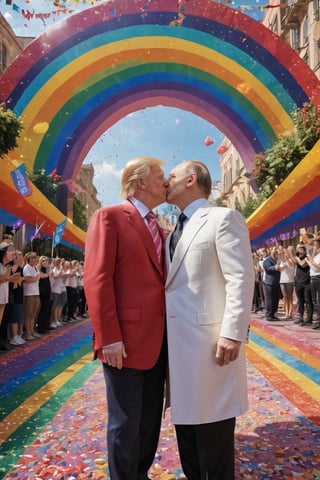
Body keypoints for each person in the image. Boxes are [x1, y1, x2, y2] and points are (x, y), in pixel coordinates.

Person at [165, 160, 254, 480]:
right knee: (186, 431)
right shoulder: (171, 231)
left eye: (171, 176)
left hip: (210, 345)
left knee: (214, 435)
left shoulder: (223, 217)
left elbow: (241, 277)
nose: (165, 181)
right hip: (177, 349)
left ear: (190, 180)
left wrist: (233, 333)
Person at [84, 156, 168, 480]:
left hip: (159, 342)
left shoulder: (160, 227)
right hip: (124, 343)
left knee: (149, 422)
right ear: (140, 181)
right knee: (125, 422)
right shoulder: (110, 217)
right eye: (160, 176)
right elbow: (97, 279)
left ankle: (140, 474)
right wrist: (109, 337)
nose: (166, 182)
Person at [263, 247, 282, 321]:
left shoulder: (276, 260)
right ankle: (269, 314)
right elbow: (267, 268)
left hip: (276, 282)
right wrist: (274, 268)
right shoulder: (268, 260)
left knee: (275, 299)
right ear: (274, 254)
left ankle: (273, 313)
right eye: (277, 254)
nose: (278, 256)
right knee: (270, 299)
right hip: (269, 283)